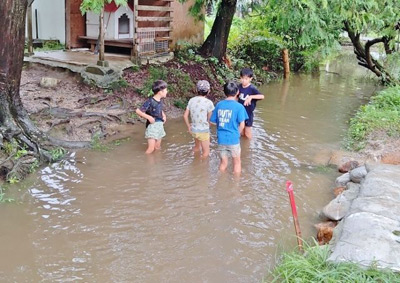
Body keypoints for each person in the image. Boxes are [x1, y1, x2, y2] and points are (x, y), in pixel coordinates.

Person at [210, 81, 248, 174]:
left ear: (224, 92)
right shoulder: (239, 107)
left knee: (223, 163)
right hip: (233, 139)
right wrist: (237, 134)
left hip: (221, 139)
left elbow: (212, 121)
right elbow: (242, 125)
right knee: (237, 163)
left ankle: (221, 181)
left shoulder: (219, 104)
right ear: (237, 92)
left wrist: (222, 123)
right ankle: (236, 185)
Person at [183, 80, 215, 157]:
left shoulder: (191, 100)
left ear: (196, 90)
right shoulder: (209, 103)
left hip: (194, 129)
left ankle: (195, 161)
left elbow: (185, 116)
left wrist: (189, 127)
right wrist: (208, 127)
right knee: (206, 153)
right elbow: (210, 119)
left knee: (197, 148)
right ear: (208, 91)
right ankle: (200, 168)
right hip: (203, 130)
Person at [136, 80, 168, 154]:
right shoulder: (150, 101)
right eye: (166, 90)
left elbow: (159, 108)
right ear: (160, 92)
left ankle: (157, 163)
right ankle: (147, 163)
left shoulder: (160, 100)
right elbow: (138, 111)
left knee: (157, 148)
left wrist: (164, 115)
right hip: (152, 127)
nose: (167, 91)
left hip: (159, 126)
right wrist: (149, 117)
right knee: (151, 149)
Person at [237, 68, 264, 139]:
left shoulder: (252, 88)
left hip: (248, 114)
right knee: (242, 132)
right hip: (240, 113)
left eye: (246, 79)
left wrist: (251, 97)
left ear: (250, 79)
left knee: (247, 133)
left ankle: (248, 147)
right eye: (242, 78)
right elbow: (235, 97)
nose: (243, 80)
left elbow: (262, 96)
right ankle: (243, 146)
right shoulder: (239, 87)